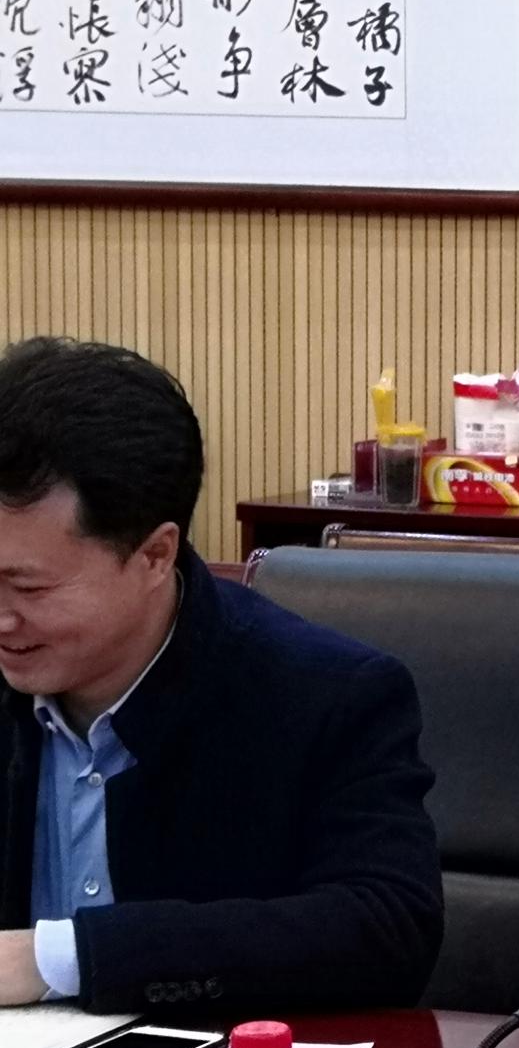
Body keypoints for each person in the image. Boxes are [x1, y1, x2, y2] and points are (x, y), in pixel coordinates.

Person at [0, 337, 444, 1014]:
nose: (3, 619)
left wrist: (63, 958)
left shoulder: (324, 695)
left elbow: (386, 930)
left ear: (155, 555)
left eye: (28, 588)